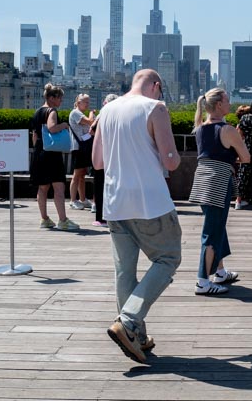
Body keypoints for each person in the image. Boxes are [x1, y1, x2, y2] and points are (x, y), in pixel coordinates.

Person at [92, 70, 181, 363]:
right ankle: (128, 321)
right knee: (167, 259)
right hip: (149, 201)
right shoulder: (155, 108)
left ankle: (138, 337)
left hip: (115, 203)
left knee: (124, 271)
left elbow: (97, 161)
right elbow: (171, 159)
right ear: (155, 86)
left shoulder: (106, 109)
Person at [189, 87, 250, 296]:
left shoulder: (199, 128)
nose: (230, 104)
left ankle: (220, 272)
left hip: (202, 180)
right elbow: (247, 157)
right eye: (227, 100)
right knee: (211, 233)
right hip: (219, 181)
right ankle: (202, 281)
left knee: (217, 226)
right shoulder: (227, 129)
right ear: (218, 105)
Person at [30, 83, 78, 231]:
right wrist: (63, 125)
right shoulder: (52, 111)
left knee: (43, 188)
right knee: (58, 187)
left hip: (40, 152)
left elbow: (35, 135)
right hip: (51, 155)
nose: (61, 101)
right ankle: (63, 220)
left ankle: (44, 219)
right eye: (59, 98)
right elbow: (51, 127)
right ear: (52, 98)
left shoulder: (37, 112)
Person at [90, 93, 118, 227]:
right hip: (113, 155)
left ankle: (100, 217)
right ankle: (111, 215)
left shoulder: (103, 115)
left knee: (100, 185)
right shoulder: (118, 116)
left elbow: (92, 130)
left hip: (101, 154)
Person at [68, 93, 96, 212]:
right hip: (78, 147)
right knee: (77, 174)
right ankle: (73, 200)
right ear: (78, 102)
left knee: (82, 175)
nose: (87, 104)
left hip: (83, 146)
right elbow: (90, 122)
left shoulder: (79, 114)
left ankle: (82, 199)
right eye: (85, 102)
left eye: (88, 102)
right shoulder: (75, 113)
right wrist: (92, 113)